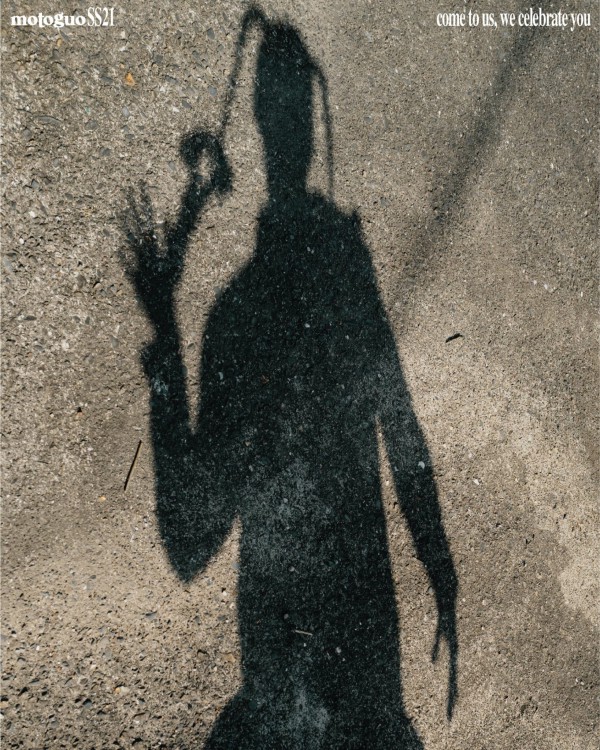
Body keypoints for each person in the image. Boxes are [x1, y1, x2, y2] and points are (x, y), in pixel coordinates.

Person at [123, 9, 457, 748]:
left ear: (261, 132)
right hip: (359, 666)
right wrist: (438, 562)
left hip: (291, 673)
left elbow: (189, 542)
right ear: (306, 132)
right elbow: (399, 421)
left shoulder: (235, 316)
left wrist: (166, 340)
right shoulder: (340, 282)